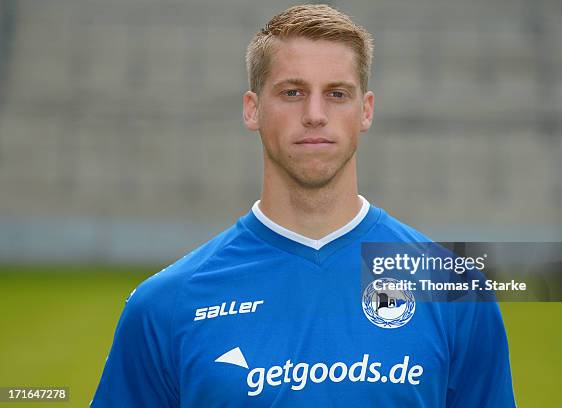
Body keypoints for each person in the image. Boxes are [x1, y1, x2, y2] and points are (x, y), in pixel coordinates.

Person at [91, 4, 516, 407]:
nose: (314, 114)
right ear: (252, 109)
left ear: (365, 111)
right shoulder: (165, 305)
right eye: (292, 92)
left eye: (336, 94)